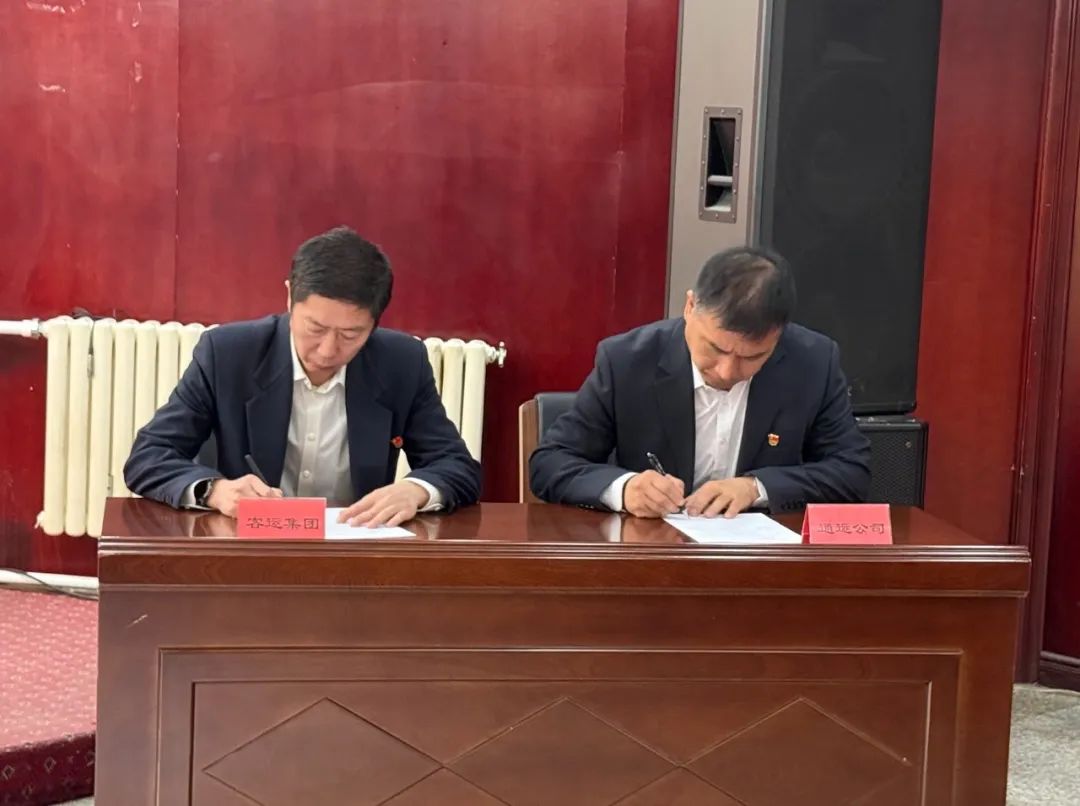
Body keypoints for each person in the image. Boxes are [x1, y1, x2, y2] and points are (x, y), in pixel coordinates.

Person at [124, 226, 481, 526]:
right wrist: (215, 491)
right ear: (289, 297)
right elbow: (149, 456)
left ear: (374, 324)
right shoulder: (228, 355)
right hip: (244, 552)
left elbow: (457, 466)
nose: (327, 350)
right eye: (315, 328)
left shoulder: (401, 363)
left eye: (350, 335)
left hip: (351, 556)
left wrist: (416, 490)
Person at [529, 246, 870, 518]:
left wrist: (757, 487)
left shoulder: (812, 362)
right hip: (650, 557)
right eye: (715, 348)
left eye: (752, 357)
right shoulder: (627, 361)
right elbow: (550, 462)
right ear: (690, 306)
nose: (726, 371)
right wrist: (625, 488)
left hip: (761, 563)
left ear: (779, 336)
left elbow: (851, 472)